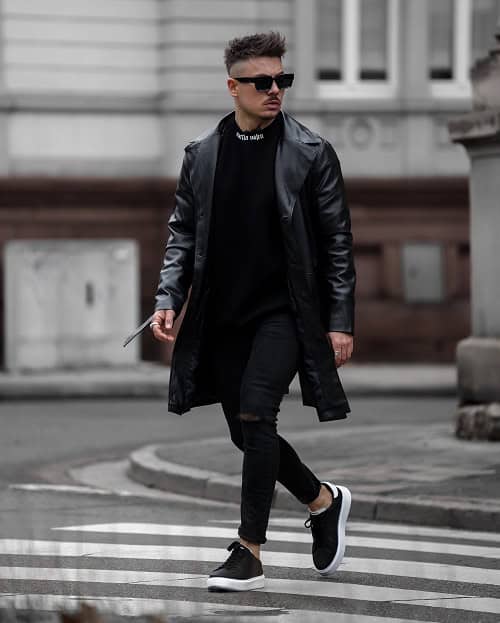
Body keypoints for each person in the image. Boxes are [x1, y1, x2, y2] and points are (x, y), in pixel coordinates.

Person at [125, 31, 356, 592]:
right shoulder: (203, 155)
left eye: (283, 80)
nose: (276, 90)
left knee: (257, 414)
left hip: (284, 312)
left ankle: (248, 549)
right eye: (262, 81)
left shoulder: (310, 152)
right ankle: (323, 502)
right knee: (244, 431)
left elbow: (337, 243)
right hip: (222, 314)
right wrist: (167, 299)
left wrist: (340, 321)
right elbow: (182, 235)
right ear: (234, 87)